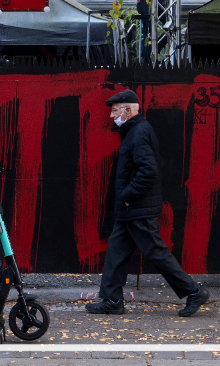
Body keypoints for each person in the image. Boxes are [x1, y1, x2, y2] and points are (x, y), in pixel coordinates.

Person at [85, 89, 211, 317]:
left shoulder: (139, 132)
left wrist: (126, 197)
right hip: (131, 209)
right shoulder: (133, 131)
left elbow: (148, 172)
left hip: (137, 208)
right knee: (116, 251)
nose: (111, 116)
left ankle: (194, 292)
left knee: (156, 253)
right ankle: (113, 300)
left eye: (114, 111)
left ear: (128, 109)